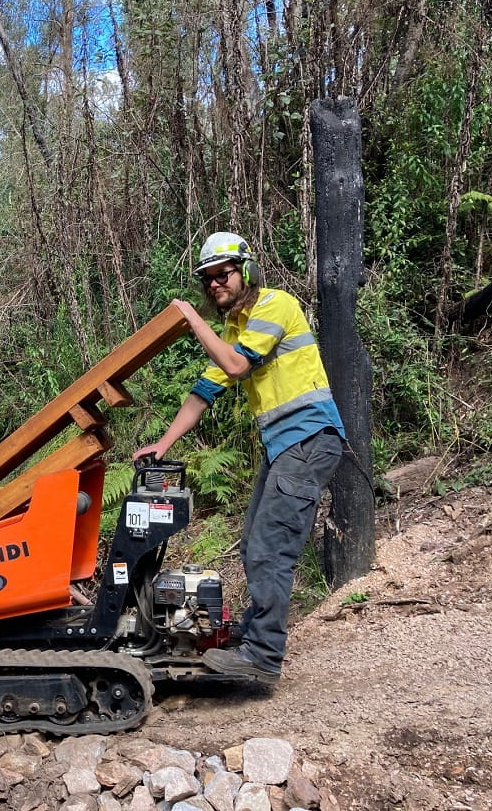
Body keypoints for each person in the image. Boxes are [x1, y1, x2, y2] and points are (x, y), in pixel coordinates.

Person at [133, 231, 345, 683]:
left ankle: (263, 655)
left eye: (222, 275)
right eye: (207, 279)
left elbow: (235, 367)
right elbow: (206, 389)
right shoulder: (235, 330)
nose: (214, 285)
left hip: (309, 440)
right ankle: (251, 635)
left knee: (271, 548)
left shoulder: (275, 305)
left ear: (245, 271)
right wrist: (164, 443)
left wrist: (191, 318)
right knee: (253, 543)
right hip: (285, 444)